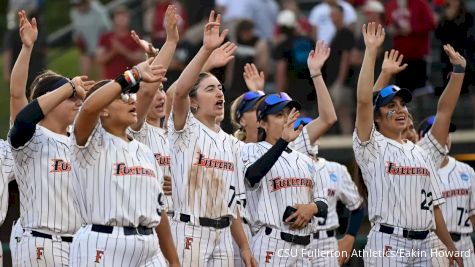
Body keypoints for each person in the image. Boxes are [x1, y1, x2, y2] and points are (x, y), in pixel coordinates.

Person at [353, 22, 462, 266]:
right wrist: (371, 51)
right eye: (391, 106)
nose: (400, 110)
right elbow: (363, 103)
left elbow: (434, 208)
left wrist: (451, 248)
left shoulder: (420, 152)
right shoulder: (372, 145)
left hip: (426, 245)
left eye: (402, 104)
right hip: (389, 243)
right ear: (377, 117)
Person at [70, 55, 179, 265]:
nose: (131, 100)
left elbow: (158, 211)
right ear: (103, 109)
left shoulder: (145, 151)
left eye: (131, 96)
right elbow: (89, 108)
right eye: (122, 97)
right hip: (104, 242)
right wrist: (133, 75)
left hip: (149, 246)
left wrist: (173, 261)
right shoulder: (90, 143)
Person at [169, 11, 256, 266]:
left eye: (220, 88)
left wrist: (244, 246)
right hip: (189, 230)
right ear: (193, 102)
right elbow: (180, 91)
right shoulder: (185, 129)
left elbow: (234, 204)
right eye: (210, 89)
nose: (219, 92)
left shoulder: (232, 144)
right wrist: (206, 52)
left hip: (223, 234)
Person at [240, 93, 328, 266]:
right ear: (262, 123)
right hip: (271, 243)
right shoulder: (251, 150)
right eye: (279, 115)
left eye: (289, 113)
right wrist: (283, 141)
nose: (286, 119)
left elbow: (323, 203)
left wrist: (312, 208)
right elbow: (252, 177)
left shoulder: (304, 159)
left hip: (305, 247)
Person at [128, 5, 179, 219]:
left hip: (175, 222)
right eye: (154, 92)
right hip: (147, 220)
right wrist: (171, 41)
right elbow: (147, 90)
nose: (160, 96)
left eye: (162, 90)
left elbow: (177, 91)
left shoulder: (172, 131)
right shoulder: (137, 129)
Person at [417, 117, 475, 266]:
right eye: (439, 133)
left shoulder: (467, 171)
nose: (445, 137)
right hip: (433, 246)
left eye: (447, 133)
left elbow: (473, 214)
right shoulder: (417, 173)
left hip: (464, 243)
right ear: (422, 138)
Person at [303, 136, 364, 266]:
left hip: (326, 243)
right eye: (301, 132)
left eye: (311, 131)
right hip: (295, 242)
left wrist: (350, 236)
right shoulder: (284, 169)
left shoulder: (335, 169)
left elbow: (357, 206)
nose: (307, 137)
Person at [385, 0, 435, 93]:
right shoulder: (392, 4)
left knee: (419, 90)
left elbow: (431, 23)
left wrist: (413, 28)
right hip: (399, 56)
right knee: (402, 91)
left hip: (418, 55)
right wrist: (392, 29)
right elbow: (388, 23)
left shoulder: (420, 4)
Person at [274, 10, 316, 116]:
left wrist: (280, 94)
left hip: (292, 87)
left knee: (294, 118)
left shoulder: (283, 45)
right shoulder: (310, 41)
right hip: (311, 86)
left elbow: (281, 71)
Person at [325, 4, 355, 134]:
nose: (333, 18)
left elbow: (346, 58)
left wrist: (340, 82)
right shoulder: (336, 33)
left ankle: (348, 140)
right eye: (331, 15)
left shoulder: (345, 33)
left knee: (344, 112)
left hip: (341, 81)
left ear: (342, 15)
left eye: (335, 14)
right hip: (333, 80)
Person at [96, 6, 143, 79]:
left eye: (124, 17)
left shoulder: (135, 37)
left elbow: (139, 60)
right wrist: (113, 52)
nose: (121, 20)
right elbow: (99, 59)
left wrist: (122, 50)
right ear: (114, 19)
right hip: (109, 81)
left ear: (129, 19)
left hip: (129, 80)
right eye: (119, 17)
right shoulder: (105, 37)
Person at [70, 0, 111, 78]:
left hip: (100, 47)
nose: (78, 6)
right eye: (76, 5)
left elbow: (107, 29)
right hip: (86, 48)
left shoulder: (98, 10)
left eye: (80, 3)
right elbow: (76, 31)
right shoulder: (74, 13)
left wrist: (102, 47)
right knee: (84, 74)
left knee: (101, 75)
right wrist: (77, 39)